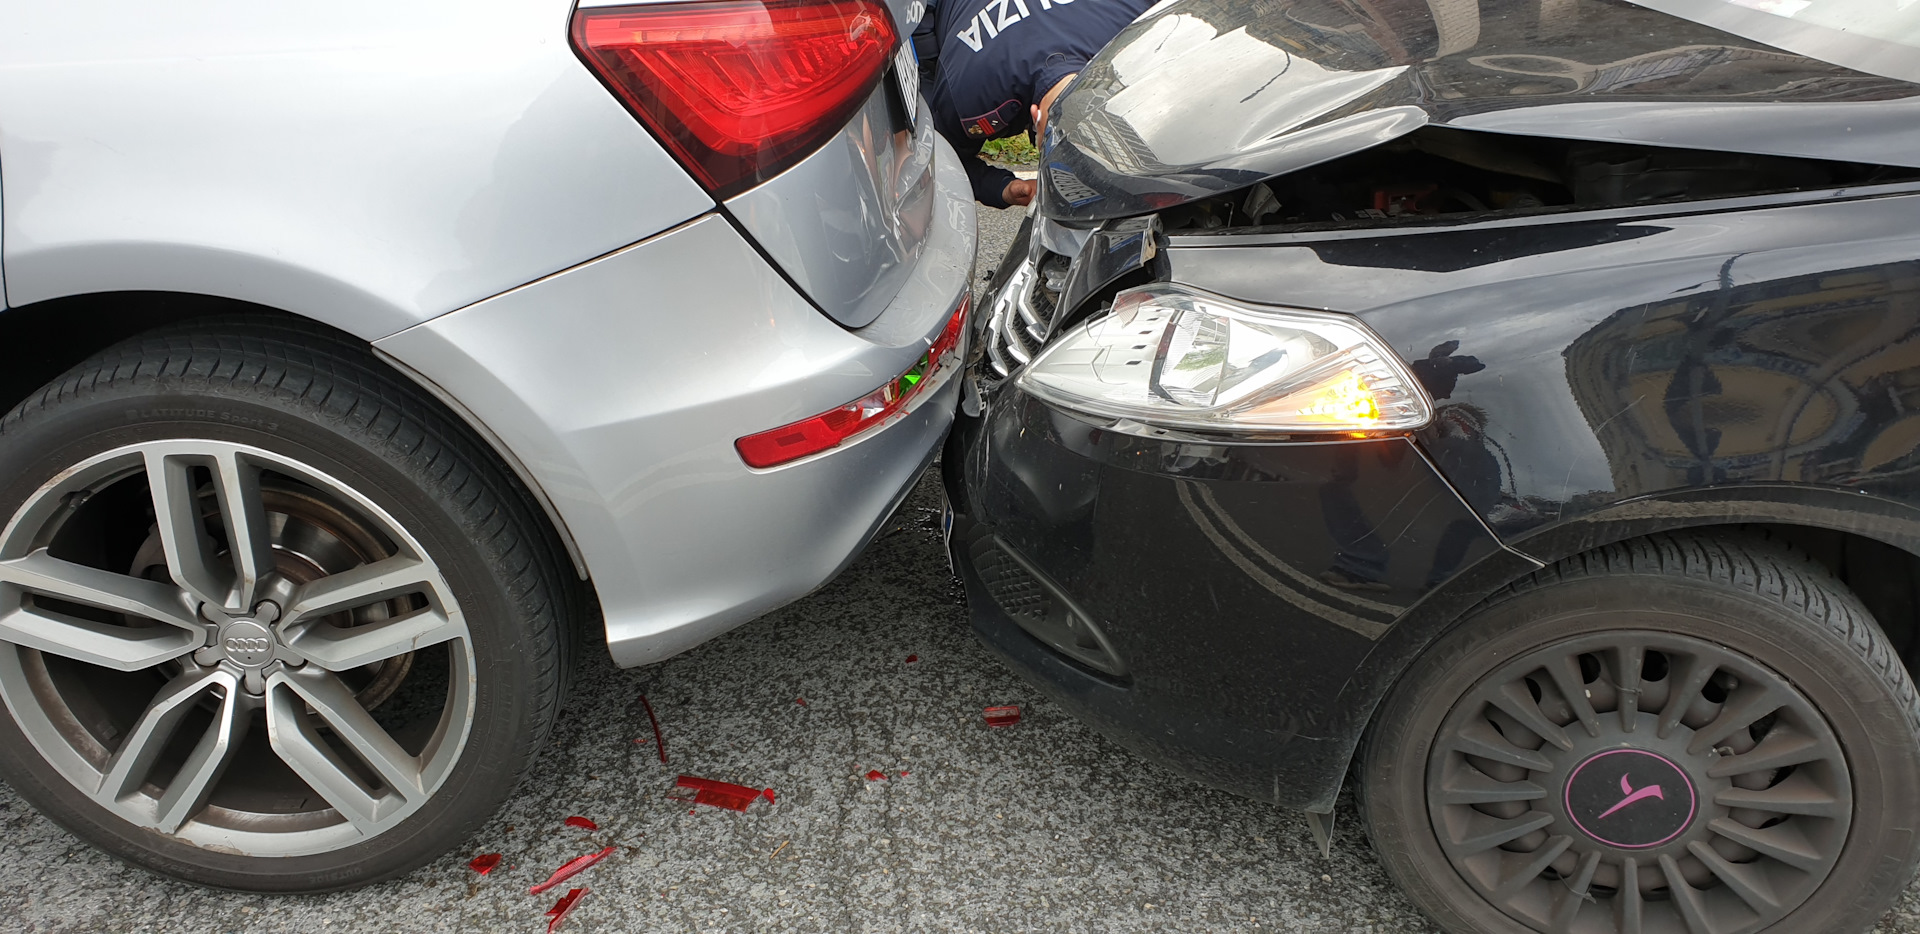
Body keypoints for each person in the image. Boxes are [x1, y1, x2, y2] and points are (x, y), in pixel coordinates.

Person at [920, 0, 1155, 209]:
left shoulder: (1137, 21)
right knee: (916, 112)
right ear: (1036, 117)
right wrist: (999, 187)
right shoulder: (967, 94)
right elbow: (936, 159)